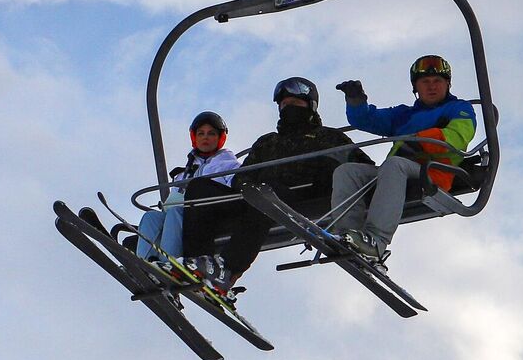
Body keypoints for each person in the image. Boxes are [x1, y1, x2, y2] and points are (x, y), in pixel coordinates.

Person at [183, 76, 368, 301]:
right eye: (284, 105)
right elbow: (243, 176)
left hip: (300, 200)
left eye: (295, 104)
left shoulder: (329, 138)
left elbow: (363, 171)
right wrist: (244, 185)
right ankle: (196, 264)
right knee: (199, 189)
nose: (288, 108)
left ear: (310, 106)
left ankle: (228, 270)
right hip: (257, 197)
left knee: (266, 194)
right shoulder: (267, 142)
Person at [328, 55, 478, 261]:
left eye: (438, 82)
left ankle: (376, 240)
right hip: (396, 173)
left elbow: (458, 137)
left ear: (448, 85)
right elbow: (366, 120)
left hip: (433, 172)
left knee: (394, 164)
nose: (432, 87)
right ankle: (348, 234)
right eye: (425, 82)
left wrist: (419, 141)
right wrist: (356, 101)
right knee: (348, 171)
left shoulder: (458, 108)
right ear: (416, 87)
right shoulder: (405, 115)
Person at [132, 111, 240, 271]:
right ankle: (145, 264)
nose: (205, 137)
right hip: (180, 213)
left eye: (211, 134)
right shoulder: (184, 172)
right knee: (151, 217)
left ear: (220, 138)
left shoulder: (228, 165)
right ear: (194, 137)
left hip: (209, 215)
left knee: (175, 213)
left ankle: (169, 264)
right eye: (201, 133)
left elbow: (235, 188)